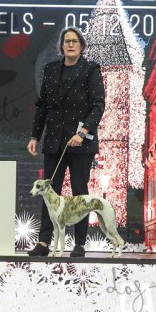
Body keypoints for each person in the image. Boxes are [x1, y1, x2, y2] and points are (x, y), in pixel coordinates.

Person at [27, 27, 106, 258]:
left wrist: (82, 132)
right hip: (54, 140)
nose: (70, 45)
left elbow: (98, 105)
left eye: (74, 41)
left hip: (81, 142)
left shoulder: (91, 69)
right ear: (61, 46)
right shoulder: (51, 69)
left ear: (82, 46)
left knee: (80, 193)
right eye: (66, 41)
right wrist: (34, 136)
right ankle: (44, 242)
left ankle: (79, 243)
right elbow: (42, 106)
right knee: (49, 192)